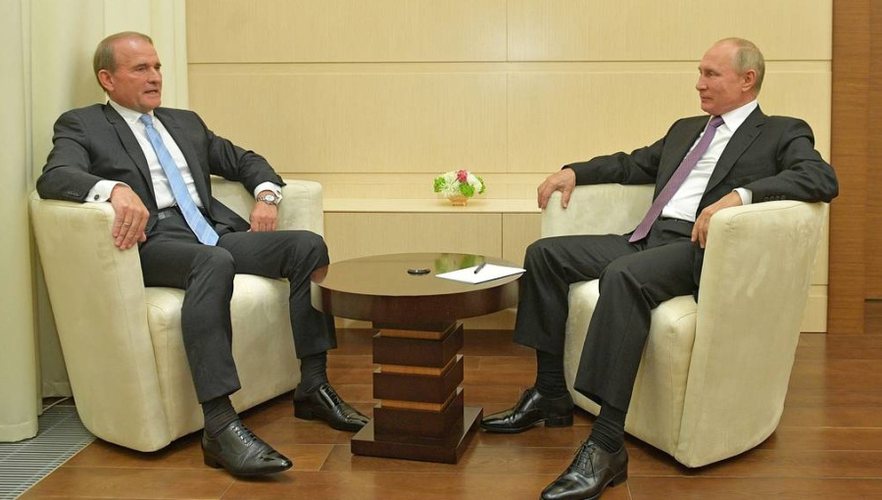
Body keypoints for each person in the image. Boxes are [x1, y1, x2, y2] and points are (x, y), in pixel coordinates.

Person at [479, 37, 839, 499]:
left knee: (623, 277)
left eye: (711, 74)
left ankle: (606, 444)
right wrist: (576, 172)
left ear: (747, 80)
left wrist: (740, 196)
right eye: (700, 73)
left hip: (699, 249)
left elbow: (821, 178)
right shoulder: (687, 129)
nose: (699, 84)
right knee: (544, 255)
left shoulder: (781, 132)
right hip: (647, 237)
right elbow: (633, 164)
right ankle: (550, 393)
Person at [36, 31, 370, 477]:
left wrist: (266, 197)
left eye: (157, 67)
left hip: (211, 232)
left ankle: (312, 385)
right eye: (141, 69)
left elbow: (244, 160)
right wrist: (113, 189)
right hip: (153, 242)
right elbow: (55, 176)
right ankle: (219, 423)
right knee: (214, 262)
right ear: (107, 79)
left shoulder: (184, 122)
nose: (155, 77)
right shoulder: (83, 124)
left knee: (306, 245)